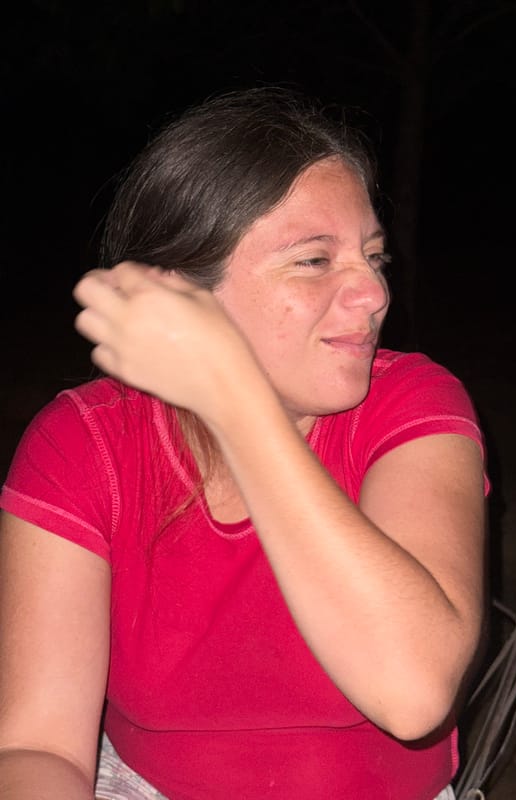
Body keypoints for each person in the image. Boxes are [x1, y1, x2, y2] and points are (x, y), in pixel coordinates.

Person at [0, 88, 488, 800]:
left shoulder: (412, 403)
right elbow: (37, 747)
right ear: (181, 296)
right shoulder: (86, 445)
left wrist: (237, 404)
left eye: (373, 256)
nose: (375, 294)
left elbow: (412, 690)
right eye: (315, 261)